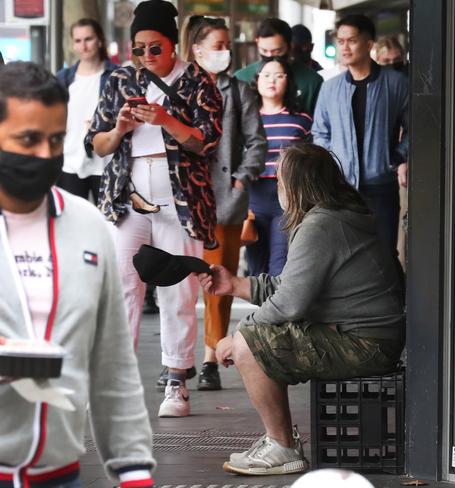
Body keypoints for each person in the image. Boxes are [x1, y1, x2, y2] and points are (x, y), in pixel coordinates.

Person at [198, 143, 405, 476]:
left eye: (280, 180)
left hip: (365, 344)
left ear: (297, 185)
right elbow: (290, 287)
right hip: (367, 337)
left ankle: (281, 446)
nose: (276, 187)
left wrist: (235, 336)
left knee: (250, 341)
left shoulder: (321, 224)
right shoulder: (333, 216)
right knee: (253, 335)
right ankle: (280, 441)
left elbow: (289, 303)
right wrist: (234, 284)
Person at [0, 61, 154, 488]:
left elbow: (113, 363)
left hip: (60, 475)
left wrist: (134, 468)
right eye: (28, 140)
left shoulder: (88, 225)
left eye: (55, 140)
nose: (46, 155)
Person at [85, 0, 223, 418]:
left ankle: (176, 381)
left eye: (154, 48)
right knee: (123, 287)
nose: (146, 56)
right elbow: (96, 143)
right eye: (138, 48)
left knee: (178, 289)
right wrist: (120, 128)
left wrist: (166, 120)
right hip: (126, 197)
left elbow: (206, 142)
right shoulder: (119, 79)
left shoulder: (200, 81)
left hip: (182, 199)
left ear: (172, 43)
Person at [183, 15, 267, 391]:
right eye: (218, 45)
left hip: (225, 200)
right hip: (183, 198)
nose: (225, 51)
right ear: (197, 49)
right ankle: (178, 358)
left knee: (219, 280)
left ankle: (210, 356)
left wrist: (241, 178)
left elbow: (257, 141)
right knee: (180, 282)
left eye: (227, 44)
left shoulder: (238, 90)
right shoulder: (181, 87)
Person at [312, 14, 408, 253]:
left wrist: (397, 157)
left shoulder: (396, 83)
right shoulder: (330, 88)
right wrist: (333, 162)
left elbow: (416, 128)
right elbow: (320, 132)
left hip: (381, 185)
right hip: (341, 188)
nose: (345, 47)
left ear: (368, 44)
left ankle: (390, 292)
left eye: (352, 40)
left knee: (385, 252)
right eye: (341, 41)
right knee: (345, 254)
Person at [246, 57, 312, 277]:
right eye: (266, 75)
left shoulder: (301, 120)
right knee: (256, 267)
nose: (271, 80)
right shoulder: (246, 119)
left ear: (288, 81)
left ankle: (276, 311)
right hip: (253, 197)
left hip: (287, 197)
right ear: (256, 81)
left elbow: (309, 161)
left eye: (279, 75)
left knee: (280, 264)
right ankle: (262, 311)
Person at [56, 18, 118, 202]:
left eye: (88, 39)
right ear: (73, 44)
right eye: (78, 41)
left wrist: (106, 125)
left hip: (105, 161)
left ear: (99, 40)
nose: (83, 45)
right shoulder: (63, 78)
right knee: (72, 222)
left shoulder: (116, 76)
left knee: (108, 224)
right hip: (70, 161)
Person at [234, 18, 323, 115]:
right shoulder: (240, 78)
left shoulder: (312, 82)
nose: (269, 56)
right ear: (257, 43)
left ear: (289, 46)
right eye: (264, 51)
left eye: (277, 51)